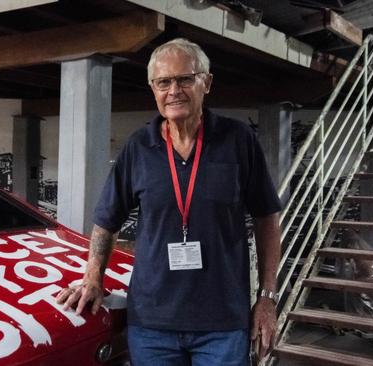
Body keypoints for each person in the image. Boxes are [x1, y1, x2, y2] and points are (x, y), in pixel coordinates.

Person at [55, 38, 281, 365]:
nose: (173, 90)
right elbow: (107, 220)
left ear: (207, 83)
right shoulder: (139, 147)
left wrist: (267, 298)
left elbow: (267, 218)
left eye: (185, 79)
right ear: (153, 89)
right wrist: (93, 276)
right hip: (152, 323)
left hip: (222, 323)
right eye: (163, 82)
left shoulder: (237, 140)